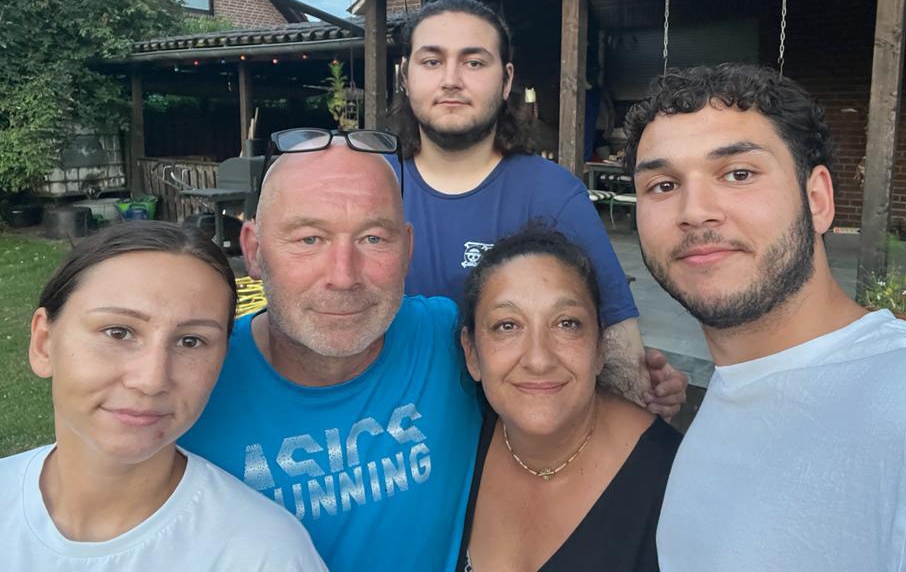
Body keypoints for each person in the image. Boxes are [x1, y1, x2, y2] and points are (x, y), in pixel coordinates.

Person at [181, 135, 685, 572]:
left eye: (373, 238)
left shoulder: (445, 336)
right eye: (309, 238)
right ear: (254, 249)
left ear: (407, 249)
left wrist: (631, 382)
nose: (343, 275)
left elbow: (542, 368)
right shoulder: (189, 383)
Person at [623, 63, 906, 572]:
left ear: (817, 200)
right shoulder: (727, 396)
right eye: (661, 185)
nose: (695, 210)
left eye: (738, 174)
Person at [391, 0, 681, 412]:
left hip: (521, 451)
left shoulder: (554, 195)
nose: (451, 79)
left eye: (474, 62)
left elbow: (616, 340)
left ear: (506, 80)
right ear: (405, 75)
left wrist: (635, 408)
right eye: (432, 61)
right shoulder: (367, 185)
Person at [0, 222, 326, 571]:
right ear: (43, 343)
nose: (152, 380)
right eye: (119, 332)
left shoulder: (263, 554)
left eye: (191, 341)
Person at [457, 226, 681, 572]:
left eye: (566, 323)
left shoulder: (674, 482)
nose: (539, 359)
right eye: (507, 325)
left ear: (599, 348)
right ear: (472, 353)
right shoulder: (458, 450)